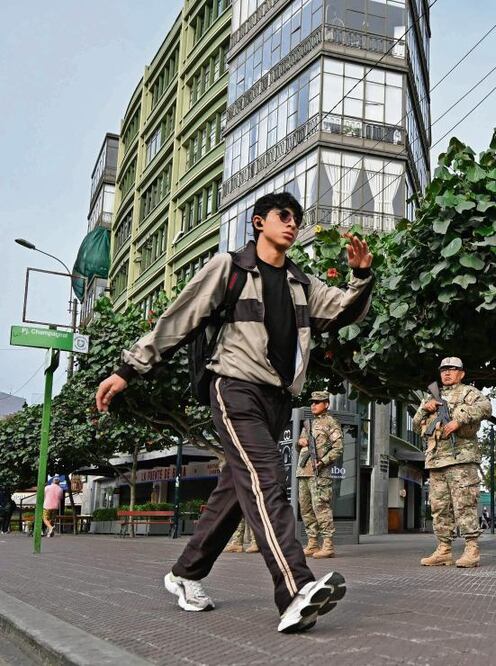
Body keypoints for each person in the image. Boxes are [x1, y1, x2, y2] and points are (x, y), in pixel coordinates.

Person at [95, 191, 374, 632]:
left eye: (297, 219)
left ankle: (185, 573)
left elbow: (343, 312)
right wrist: (128, 370)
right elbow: (178, 319)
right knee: (267, 481)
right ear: (259, 222)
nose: (292, 224)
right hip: (235, 388)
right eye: (284, 216)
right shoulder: (229, 269)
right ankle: (295, 589)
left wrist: (361, 275)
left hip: (278, 401)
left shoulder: (302, 284)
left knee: (234, 496)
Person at [413, 357, 492, 568]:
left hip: (461, 458)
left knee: (464, 505)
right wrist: (424, 409)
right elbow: (414, 424)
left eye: (452, 369)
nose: (447, 373)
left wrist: (459, 419)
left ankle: (471, 549)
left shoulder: (469, 392)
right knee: (439, 508)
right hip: (436, 460)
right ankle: (443, 550)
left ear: (462, 373)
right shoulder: (431, 396)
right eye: (443, 370)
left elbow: (486, 407)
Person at [296, 391, 344, 559]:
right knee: (306, 509)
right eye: (312, 402)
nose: (313, 405)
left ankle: (328, 545)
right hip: (303, 472)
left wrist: (323, 461)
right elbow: (301, 444)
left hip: (319, 473)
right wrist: (300, 442)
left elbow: (338, 447)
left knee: (321, 508)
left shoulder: (331, 423)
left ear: (327, 404)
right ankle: (312, 543)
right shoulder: (308, 423)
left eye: (318, 402)